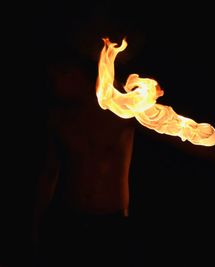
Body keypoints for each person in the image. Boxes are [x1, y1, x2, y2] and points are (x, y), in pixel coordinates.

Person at [31, 42, 136, 266]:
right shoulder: (58, 119)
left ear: (72, 73)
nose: (52, 86)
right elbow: (49, 174)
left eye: (55, 78)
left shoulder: (121, 112)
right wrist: (35, 224)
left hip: (111, 223)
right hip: (69, 219)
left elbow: (173, 130)